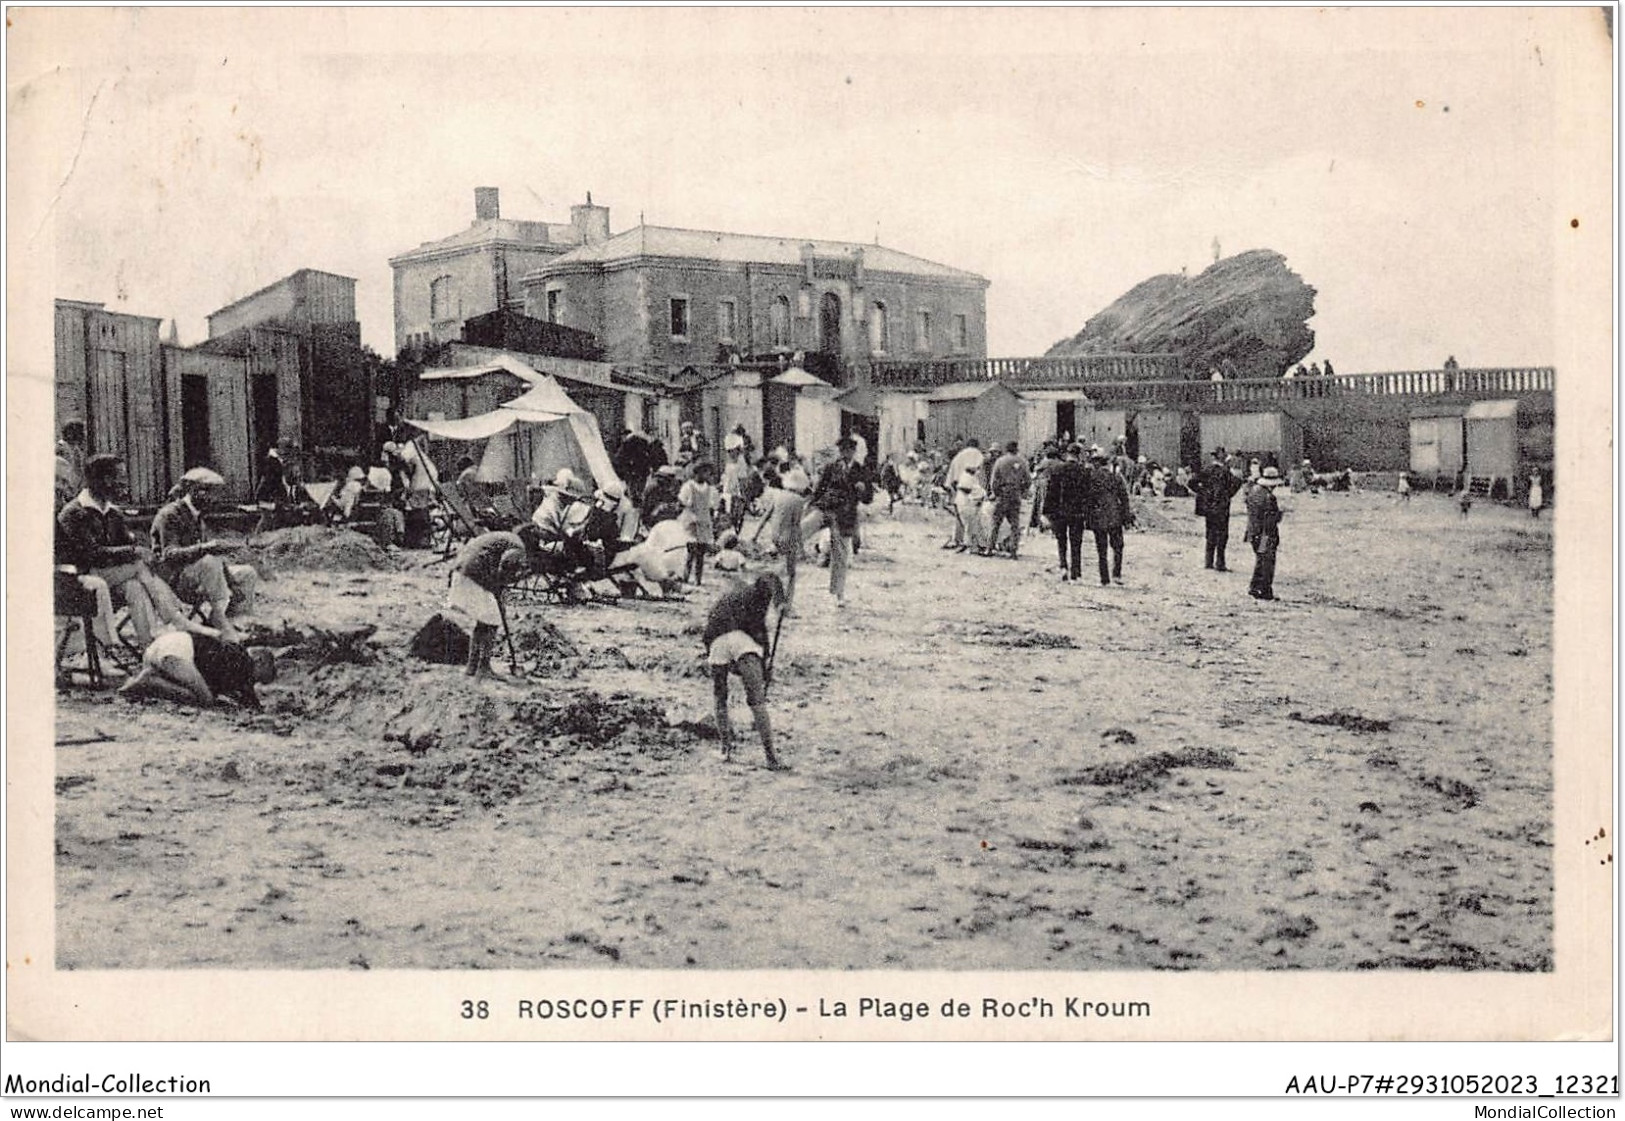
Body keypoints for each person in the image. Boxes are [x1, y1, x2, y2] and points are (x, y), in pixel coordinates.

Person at [58, 454, 203, 649]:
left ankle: (149, 644)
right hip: (82, 580)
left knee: (134, 587)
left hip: (113, 578)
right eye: (122, 477)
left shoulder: (113, 512)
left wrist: (137, 547)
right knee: (137, 564)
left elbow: (126, 543)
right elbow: (90, 555)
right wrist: (134, 551)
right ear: (106, 480)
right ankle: (176, 617)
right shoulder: (74, 512)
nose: (125, 483)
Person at [150, 468, 258, 642]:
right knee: (209, 560)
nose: (213, 498)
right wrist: (206, 548)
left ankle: (229, 621)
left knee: (247, 574)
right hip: (173, 580)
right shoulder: (170, 514)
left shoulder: (197, 515)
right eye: (207, 491)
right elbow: (169, 555)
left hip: (198, 575)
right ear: (192, 490)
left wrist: (231, 581)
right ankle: (222, 624)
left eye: (215, 493)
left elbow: (213, 557)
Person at [703, 573, 788, 770]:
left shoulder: (733, 597)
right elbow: (759, 632)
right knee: (757, 701)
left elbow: (708, 633)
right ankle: (771, 758)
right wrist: (764, 664)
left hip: (717, 640)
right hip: (743, 642)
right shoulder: (758, 600)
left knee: (720, 696)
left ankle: (725, 750)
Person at [448, 527, 537, 678]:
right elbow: (506, 564)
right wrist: (500, 586)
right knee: (492, 622)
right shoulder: (518, 547)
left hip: (461, 572)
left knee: (483, 622)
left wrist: (499, 585)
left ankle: (472, 667)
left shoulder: (506, 538)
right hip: (473, 575)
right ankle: (484, 668)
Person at [118, 631, 275, 709]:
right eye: (269, 667)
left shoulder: (232, 653)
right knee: (204, 699)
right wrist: (258, 708)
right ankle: (149, 682)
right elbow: (245, 691)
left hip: (163, 646)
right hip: (179, 651)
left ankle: (154, 675)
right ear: (259, 660)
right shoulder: (245, 664)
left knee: (193, 689)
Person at [801, 436, 869, 608]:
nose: (845, 453)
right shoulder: (831, 467)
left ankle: (839, 594)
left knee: (840, 555)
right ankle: (784, 547)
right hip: (827, 507)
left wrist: (863, 490)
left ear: (853, 452)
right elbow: (820, 488)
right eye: (842, 450)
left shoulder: (861, 470)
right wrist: (811, 504)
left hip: (845, 515)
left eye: (848, 450)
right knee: (803, 528)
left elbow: (868, 498)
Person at [751, 466, 809, 612]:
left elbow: (765, 517)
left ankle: (776, 599)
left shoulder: (778, 496)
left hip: (775, 536)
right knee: (791, 573)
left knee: (781, 568)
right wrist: (801, 548)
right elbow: (796, 526)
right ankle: (786, 605)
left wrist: (755, 535)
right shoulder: (798, 501)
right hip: (787, 537)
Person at [1042, 442, 1090, 582]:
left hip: (1059, 512)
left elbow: (1051, 492)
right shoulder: (1083, 471)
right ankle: (1076, 572)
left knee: (1061, 540)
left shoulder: (1057, 469)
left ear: (1067, 454)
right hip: (1077, 512)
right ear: (1078, 455)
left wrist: (1046, 511)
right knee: (1076, 543)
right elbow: (1087, 494)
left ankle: (1063, 566)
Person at [1084, 447, 1132, 586]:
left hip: (1098, 516)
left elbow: (1088, 499)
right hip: (1114, 516)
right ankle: (1116, 574)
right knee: (1118, 546)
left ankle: (1104, 577)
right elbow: (1124, 498)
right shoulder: (1115, 477)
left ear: (1097, 463)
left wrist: (1088, 517)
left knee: (1101, 548)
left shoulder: (1092, 478)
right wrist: (1126, 516)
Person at [1193, 448, 1243, 571]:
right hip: (1222, 507)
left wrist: (1203, 493)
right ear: (1221, 457)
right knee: (1222, 534)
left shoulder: (1206, 470)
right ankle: (1220, 563)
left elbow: (1192, 482)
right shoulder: (1225, 471)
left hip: (1209, 507)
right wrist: (1228, 495)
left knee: (1210, 533)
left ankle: (1208, 562)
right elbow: (1237, 483)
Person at [1244, 466, 1285, 600]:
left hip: (1253, 532)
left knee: (1260, 560)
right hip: (1265, 535)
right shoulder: (1269, 497)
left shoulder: (1253, 492)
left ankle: (1255, 587)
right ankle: (1265, 590)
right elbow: (1271, 519)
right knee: (1267, 561)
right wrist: (1279, 514)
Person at [985, 441, 1030, 558]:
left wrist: (996, 493)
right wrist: (1022, 491)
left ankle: (989, 548)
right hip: (1015, 495)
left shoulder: (1000, 461)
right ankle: (1013, 550)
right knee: (1015, 524)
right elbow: (1028, 480)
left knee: (995, 523)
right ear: (1016, 449)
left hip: (1002, 494)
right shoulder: (1022, 462)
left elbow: (993, 480)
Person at [679, 461, 719, 585]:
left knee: (701, 552)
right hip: (691, 521)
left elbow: (712, 506)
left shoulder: (709, 489)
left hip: (703, 522)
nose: (707, 475)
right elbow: (682, 502)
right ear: (697, 472)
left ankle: (698, 579)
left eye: (708, 472)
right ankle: (685, 576)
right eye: (704, 472)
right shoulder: (688, 486)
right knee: (691, 550)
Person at [943, 439, 985, 549]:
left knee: (959, 516)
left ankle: (957, 539)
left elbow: (951, 475)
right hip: (974, 490)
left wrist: (950, 489)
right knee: (975, 517)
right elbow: (982, 474)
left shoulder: (959, 456)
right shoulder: (979, 455)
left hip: (959, 489)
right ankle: (974, 541)